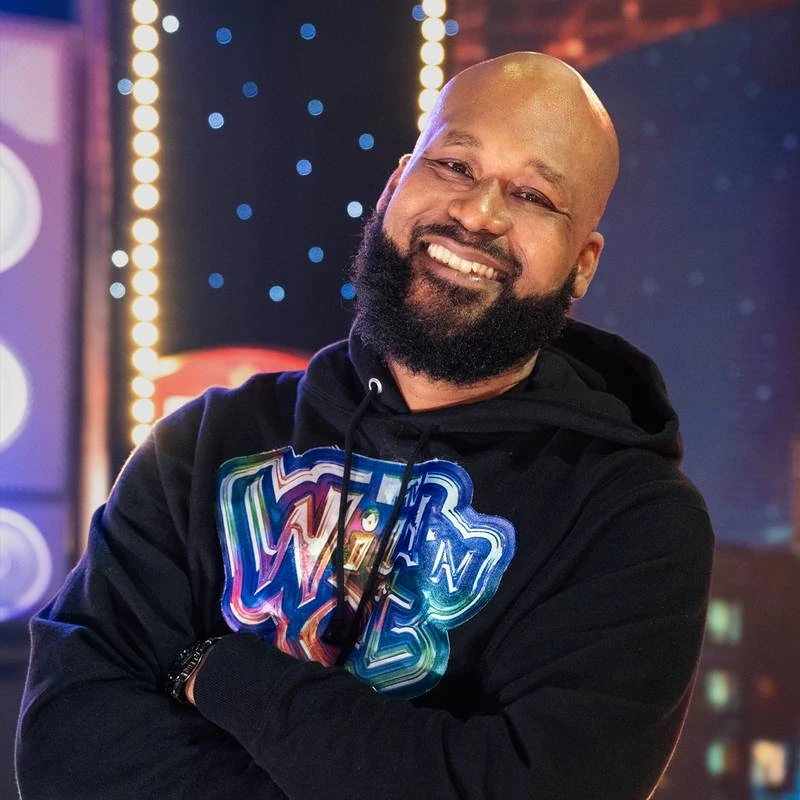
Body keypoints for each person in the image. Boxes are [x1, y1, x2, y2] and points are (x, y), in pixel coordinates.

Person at [17, 52, 714, 799]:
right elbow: (66, 747)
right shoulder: (200, 445)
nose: (479, 213)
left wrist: (221, 672)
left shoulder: (634, 518)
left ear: (582, 264)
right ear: (394, 188)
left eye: (533, 195)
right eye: (455, 165)